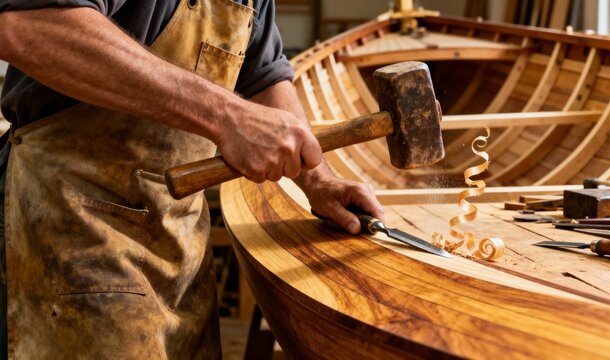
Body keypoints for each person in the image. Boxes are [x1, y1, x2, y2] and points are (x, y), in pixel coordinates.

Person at [0, 0, 384, 358]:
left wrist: (317, 177)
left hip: (179, 247)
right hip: (71, 228)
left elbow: (262, 74)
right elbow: (28, 25)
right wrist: (227, 116)